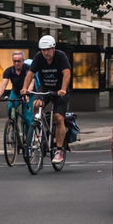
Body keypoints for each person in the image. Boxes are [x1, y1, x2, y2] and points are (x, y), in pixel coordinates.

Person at [21, 35, 71, 164]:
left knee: (58, 118)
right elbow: (30, 73)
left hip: (59, 89)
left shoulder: (61, 56)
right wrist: (24, 88)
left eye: (48, 49)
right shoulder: (39, 57)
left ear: (54, 48)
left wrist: (63, 89)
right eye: (43, 50)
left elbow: (67, 73)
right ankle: (38, 126)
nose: (45, 53)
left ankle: (59, 151)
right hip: (45, 87)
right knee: (37, 104)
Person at [0, 51, 34, 135]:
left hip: (28, 93)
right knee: (10, 108)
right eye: (14, 61)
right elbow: (3, 85)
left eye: (19, 61)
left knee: (27, 119)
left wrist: (27, 93)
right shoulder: (9, 70)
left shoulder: (29, 69)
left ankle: (28, 144)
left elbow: (32, 83)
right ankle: (13, 126)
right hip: (16, 92)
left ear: (23, 61)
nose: (16, 63)